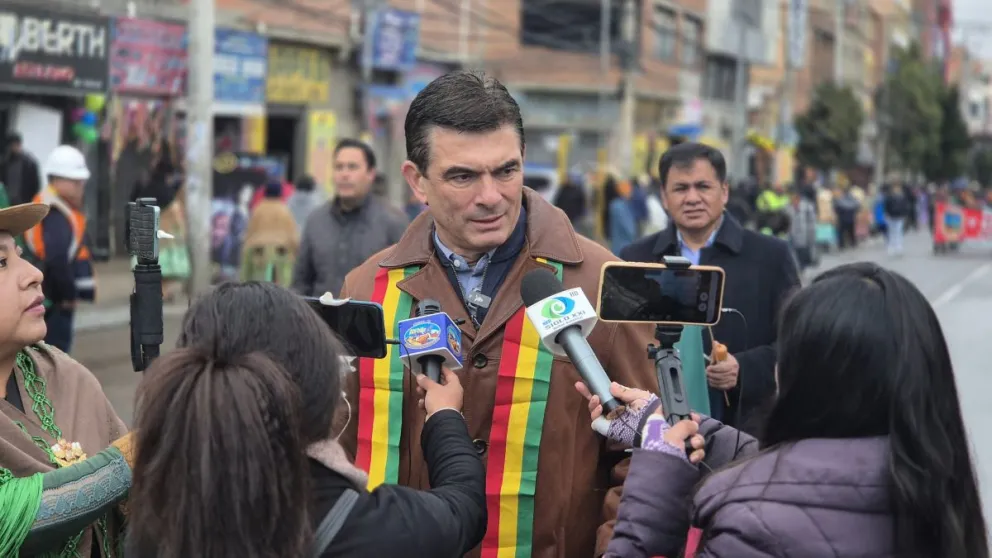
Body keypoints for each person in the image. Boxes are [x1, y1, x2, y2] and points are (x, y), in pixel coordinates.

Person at [338, 70, 657, 558]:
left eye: (506, 171)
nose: (490, 196)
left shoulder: (604, 283)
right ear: (417, 181)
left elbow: (649, 453)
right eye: (463, 176)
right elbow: (336, 447)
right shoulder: (365, 288)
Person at [596, 263, 989, 558]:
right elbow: (820, 478)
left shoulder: (750, 526)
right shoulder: (937, 485)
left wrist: (657, 475)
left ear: (803, 375)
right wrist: (687, 429)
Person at [125, 282, 486, 558]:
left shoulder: (155, 514)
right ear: (323, 387)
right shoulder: (364, 526)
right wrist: (445, 416)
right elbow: (463, 508)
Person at [621, 142, 801, 427]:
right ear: (664, 197)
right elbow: (620, 343)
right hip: (657, 424)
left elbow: (797, 340)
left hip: (746, 425)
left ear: (724, 192)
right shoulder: (636, 259)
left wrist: (744, 368)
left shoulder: (770, 256)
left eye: (703, 186)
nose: (692, 198)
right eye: (681, 189)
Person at [0, 203, 128, 556]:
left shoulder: (65, 373)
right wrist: (128, 463)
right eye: (1, 263)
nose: (34, 274)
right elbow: (9, 516)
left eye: (20, 256)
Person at [292, 139, 409, 297]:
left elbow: (406, 281)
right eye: (339, 167)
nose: (344, 174)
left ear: (370, 174)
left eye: (352, 167)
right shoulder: (316, 221)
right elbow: (300, 283)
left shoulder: (393, 221)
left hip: (373, 311)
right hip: (321, 312)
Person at [22, 146, 96, 354]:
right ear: (56, 179)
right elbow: (56, 259)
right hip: (54, 301)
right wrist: (68, 295)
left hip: (47, 296)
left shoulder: (50, 203)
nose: (80, 187)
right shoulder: (55, 212)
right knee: (54, 358)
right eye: (75, 181)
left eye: (81, 181)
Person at [240, 182, 300, 287]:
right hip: (281, 252)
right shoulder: (284, 210)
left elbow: (249, 233)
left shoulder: (258, 209)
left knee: (258, 285)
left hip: (259, 252)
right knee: (282, 285)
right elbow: (292, 236)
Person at [0, 133, 41, 207]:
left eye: (17, 145)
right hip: (8, 201)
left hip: (24, 201)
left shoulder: (29, 163)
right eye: (13, 145)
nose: (15, 147)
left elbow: (35, 184)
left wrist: (31, 199)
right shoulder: (5, 162)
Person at [884, 183, 912, 256]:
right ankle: (891, 246)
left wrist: (904, 214)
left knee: (898, 232)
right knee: (892, 232)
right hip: (891, 216)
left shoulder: (902, 197)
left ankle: (898, 246)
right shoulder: (890, 197)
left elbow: (905, 207)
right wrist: (887, 214)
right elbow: (886, 206)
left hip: (899, 217)